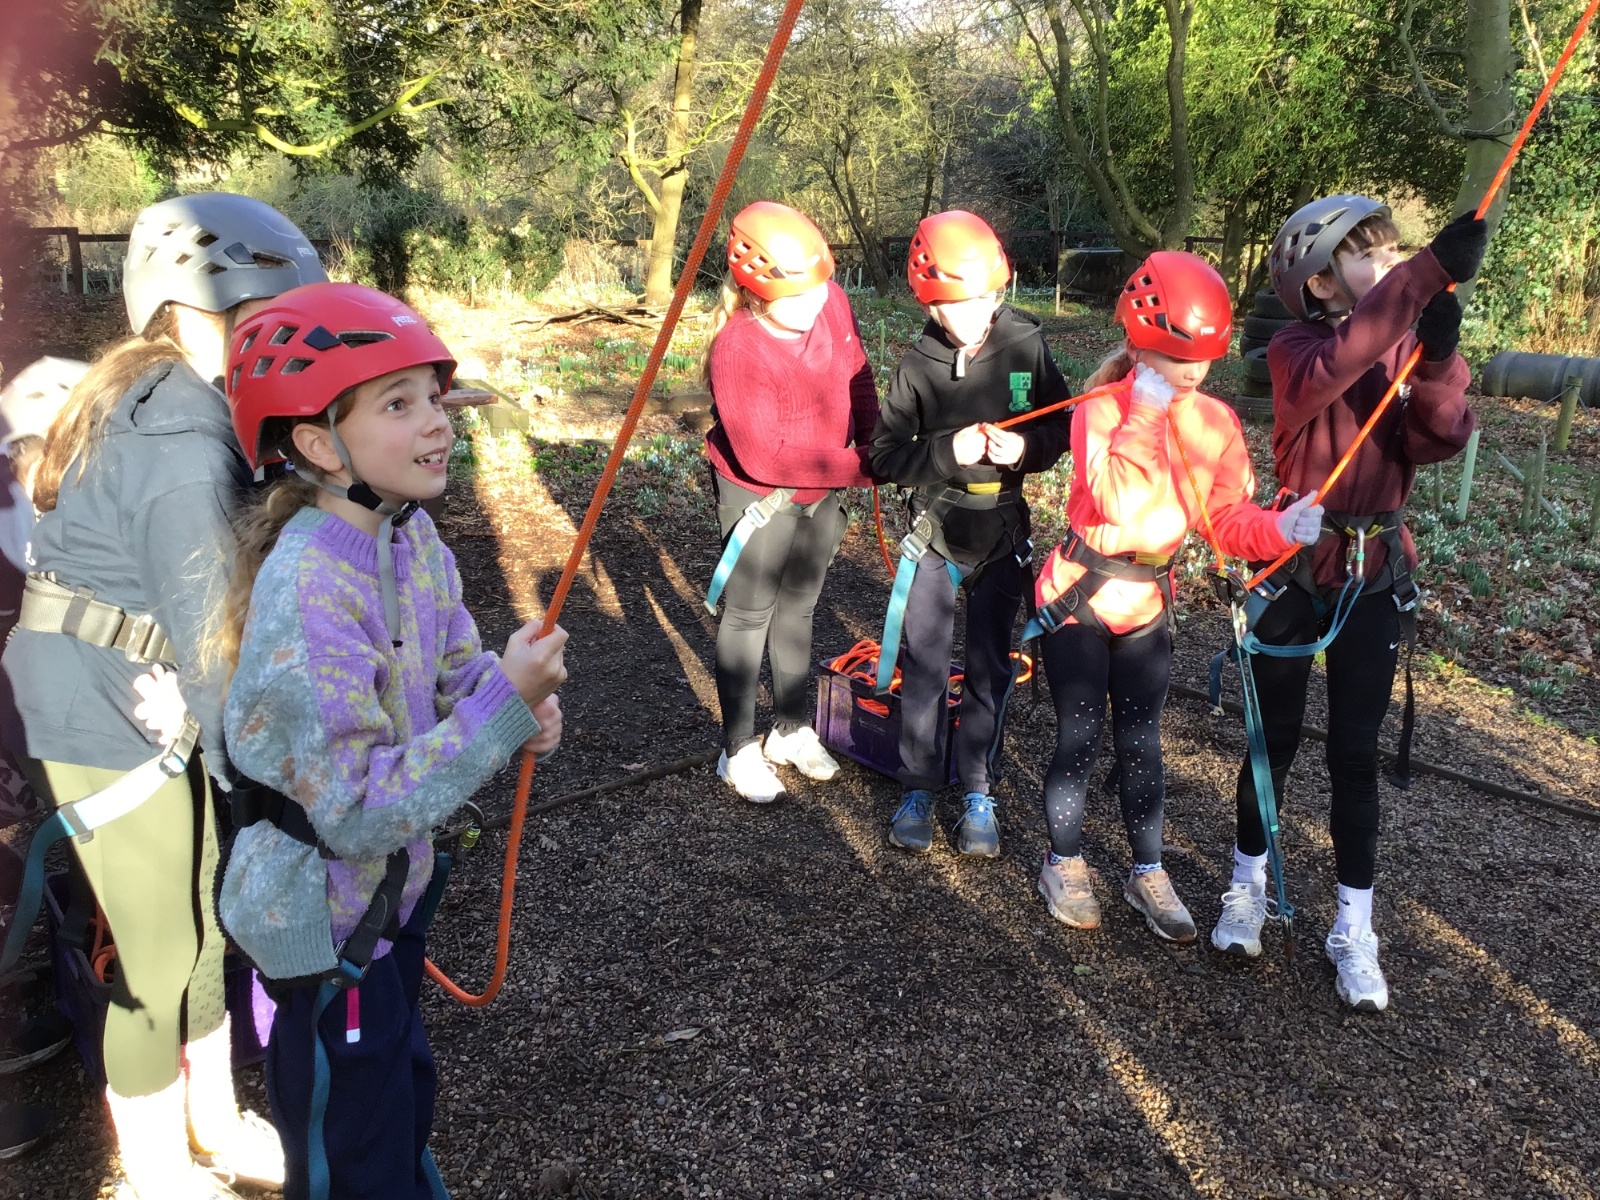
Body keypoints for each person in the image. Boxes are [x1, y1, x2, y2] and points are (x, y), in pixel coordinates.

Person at [0, 193, 327, 1198]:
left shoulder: (189, 400)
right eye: (268, 315)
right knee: (157, 946)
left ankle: (214, 1125)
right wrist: (271, 785)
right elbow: (213, 641)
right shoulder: (181, 445)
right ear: (190, 315)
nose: (289, 337)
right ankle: (152, 1169)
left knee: (201, 920)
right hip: (98, 704)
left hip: (144, 682)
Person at [209, 281, 565, 1199]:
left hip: (388, 906)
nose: (438, 422)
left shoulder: (413, 541)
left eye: (434, 398)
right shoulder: (309, 594)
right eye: (398, 404)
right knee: (351, 1153)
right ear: (321, 446)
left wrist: (507, 699)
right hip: (326, 933)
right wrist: (500, 713)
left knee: (402, 1104)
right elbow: (358, 810)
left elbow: (457, 671)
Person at [1210, 199, 1482, 1010]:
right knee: (1274, 742)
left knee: (1355, 756)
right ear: (1321, 283)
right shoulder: (1294, 350)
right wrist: (1427, 272)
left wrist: (1437, 362)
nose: (1391, 264)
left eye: (1396, 251)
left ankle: (1354, 929)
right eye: (1372, 255)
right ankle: (1246, 885)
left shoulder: (1401, 345)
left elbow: (1440, 437)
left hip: (1372, 576)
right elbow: (1336, 365)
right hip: (1297, 570)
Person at [1030, 252, 1324, 942]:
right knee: (1078, 738)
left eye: (1202, 360)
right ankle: (1063, 862)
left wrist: (1280, 529)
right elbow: (1116, 500)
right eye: (1174, 357)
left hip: (1147, 605)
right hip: (1079, 599)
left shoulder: (1215, 422)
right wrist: (1144, 412)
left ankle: (1148, 870)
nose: (1191, 373)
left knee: (1142, 742)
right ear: (1138, 346)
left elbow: (1227, 521)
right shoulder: (1100, 409)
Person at [870, 210, 1072, 857]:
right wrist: (947, 450)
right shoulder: (918, 366)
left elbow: (1062, 426)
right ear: (930, 302)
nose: (978, 313)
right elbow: (884, 456)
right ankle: (919, 787)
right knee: (925, 667)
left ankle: (979, 789)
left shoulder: (1025, 344)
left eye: (987, 298)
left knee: (990, 667)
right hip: (935, 536)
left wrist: (1026, 448)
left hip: (1002, 534)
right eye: (960, 305)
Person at [703, 201, 879, 803]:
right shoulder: (737, 349)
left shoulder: (829, 301)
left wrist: (876, 440)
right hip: (761, 494)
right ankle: (737, 750)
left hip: (824, 487)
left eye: (820, 286)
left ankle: (790, 727)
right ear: (755, 293)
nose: (815, 303)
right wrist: (867, 467)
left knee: (799, 607)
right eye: (796, 295)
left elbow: (857, 372)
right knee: (749, 613)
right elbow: (766, 458)